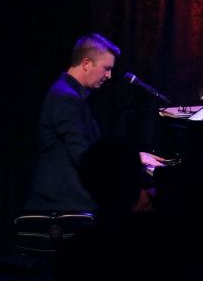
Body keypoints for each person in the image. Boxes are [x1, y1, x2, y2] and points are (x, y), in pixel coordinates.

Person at [25, 33, 164, 214]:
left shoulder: (71, 95)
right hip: (66, 203)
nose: (109, 75)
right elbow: (85, 159)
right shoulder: (65, 98)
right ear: (86, 63)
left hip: (75, 197)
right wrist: (134, 160)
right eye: (106, 68)